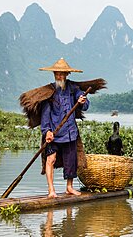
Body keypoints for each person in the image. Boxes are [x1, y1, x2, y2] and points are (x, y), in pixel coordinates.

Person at [39, 58, 90, 198]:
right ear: (54, 74)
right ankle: (51, 190)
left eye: (62, 74)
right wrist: (47, 131)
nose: (59, 76)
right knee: (51, 159)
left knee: (70, 160)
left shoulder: (73, 89)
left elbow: (85, 104)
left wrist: (82, 100)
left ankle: (69, 187)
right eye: (57, 74)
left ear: (67, 74)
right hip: (54, 132)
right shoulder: (49, 92)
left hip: (69, 132)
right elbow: (45, 114)